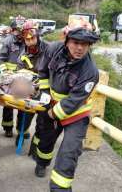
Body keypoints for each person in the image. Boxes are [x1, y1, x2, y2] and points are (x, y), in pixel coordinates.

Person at [34, 19, 100, 192]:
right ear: (66, 39)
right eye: (76, 42)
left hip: (76, 115)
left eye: (85, 44)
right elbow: (42, 72)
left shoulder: (90, 71)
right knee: (45, 141)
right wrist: (45, 94)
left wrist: (52, 114)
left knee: (68, 154)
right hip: (51, 105)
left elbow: (73, 101)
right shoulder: (53, 49)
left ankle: (60, 188)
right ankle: (41, 162)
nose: (80, 48)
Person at [16, 20, 51, 146]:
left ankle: (36, 143)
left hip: (46, 89)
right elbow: (19, 71)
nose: (30, 42)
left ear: (38, 35)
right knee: (24, 114)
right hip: (29, 88)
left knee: (43, 120)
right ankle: (21, 132)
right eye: (27, 39)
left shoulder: (49, 49)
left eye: (32, 38)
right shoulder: (23, 54)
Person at [0, 15, 26, 137]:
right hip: (8, 79)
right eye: (17, 30)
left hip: (23, 79)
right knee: (9, 105)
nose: (20, 32)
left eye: (22, 30)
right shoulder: (6, 41)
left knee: (23, 105)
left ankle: (22, 130)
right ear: (12, 30)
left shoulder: (27, 41)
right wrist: (6, 73)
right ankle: (8, 127)